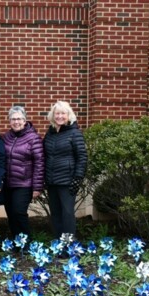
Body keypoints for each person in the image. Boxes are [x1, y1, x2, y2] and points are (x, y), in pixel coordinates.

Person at [43, 101, 87, 238]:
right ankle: (58, 244)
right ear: (52, 115)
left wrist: (77, 178)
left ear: (69, 115)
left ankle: (68, 246)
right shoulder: (49, 134)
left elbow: (82, 157)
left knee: (67, 214)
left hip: (68, 181)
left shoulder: (75, 133)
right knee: (55, 214)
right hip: (51, 181)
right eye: (57, 113)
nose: (60, 116)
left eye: (63, 113)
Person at [2, 106, 44, 239]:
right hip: (8, 184)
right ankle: (17, 241)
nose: (16, 122)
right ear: (9, 121)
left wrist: (37, 187)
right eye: (13, 119)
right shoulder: (6, 137)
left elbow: (39, 163)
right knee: (11, 214)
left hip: (24, 183)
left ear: (25, 120)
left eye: (19, 118)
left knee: (19, 212)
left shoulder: (33, 138)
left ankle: (26, 242)